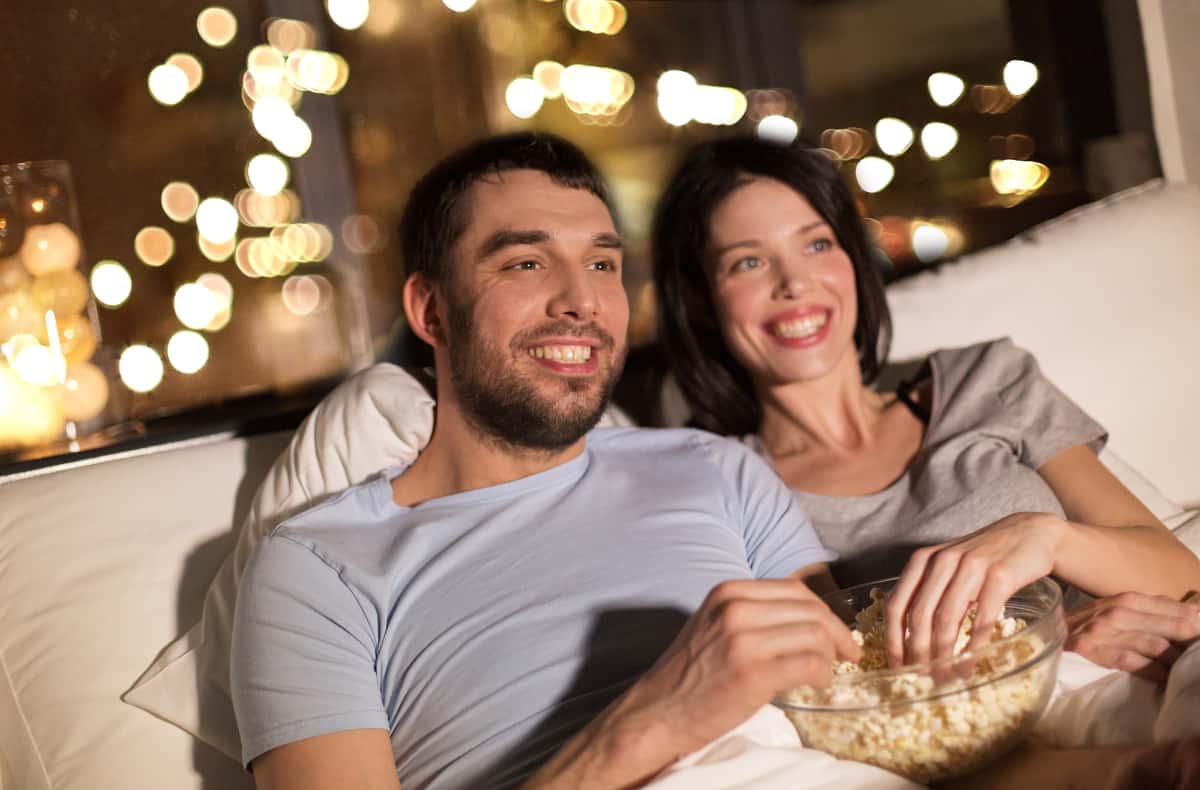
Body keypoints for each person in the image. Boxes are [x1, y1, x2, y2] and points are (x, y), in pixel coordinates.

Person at [229, 131, 862, 790]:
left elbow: (861, 709)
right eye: (526, 263)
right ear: (431, 310)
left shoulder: (716, 468)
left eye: (601, 265)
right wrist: (654, 721)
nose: (581, 301)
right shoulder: (319, 569)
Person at [650, 135, 1200, 672]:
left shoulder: (984, 379)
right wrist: (1043, 639)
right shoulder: (729, 483)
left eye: (817, 244)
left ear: (851, 258)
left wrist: (1045, 537)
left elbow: (1178, 575)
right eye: (748, 263)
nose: (794, 282)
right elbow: (838, 680)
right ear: (700, 301)